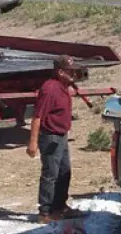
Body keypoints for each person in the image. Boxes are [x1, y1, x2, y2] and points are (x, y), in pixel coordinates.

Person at [27, 55, 84, 223]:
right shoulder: (50, 89)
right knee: (50, 174)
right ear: (60, 72)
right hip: (51, 138)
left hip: (62, 135)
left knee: (64, 172)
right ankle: (45, 212)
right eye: (70, 71)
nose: (74, 74)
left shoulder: (64, 86)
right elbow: (37, 116)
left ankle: (60, 207)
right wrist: (32, 142)